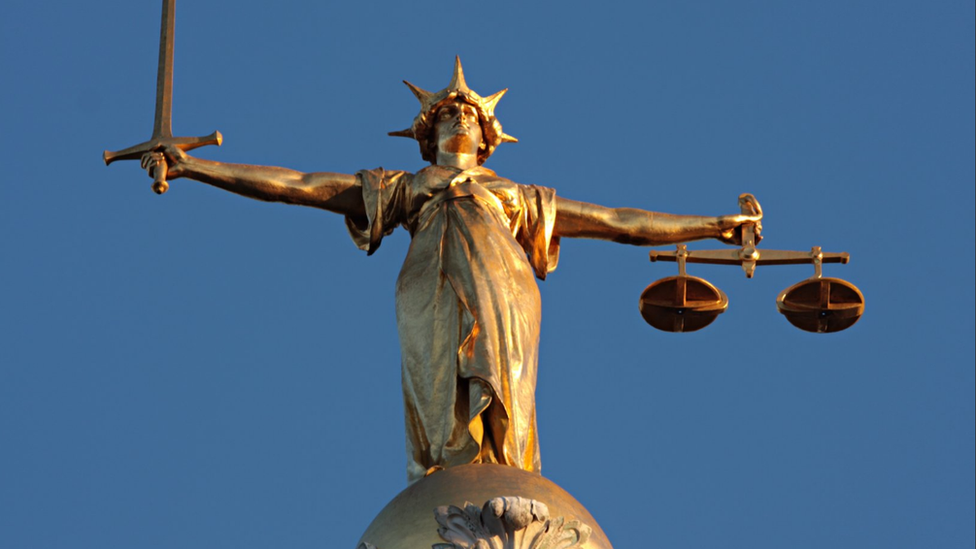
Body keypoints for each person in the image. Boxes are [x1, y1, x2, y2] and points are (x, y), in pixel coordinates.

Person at [148, 58, 761, 483]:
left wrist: (711, 225)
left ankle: (503, 474)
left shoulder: (516, 197)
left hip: (503, 287)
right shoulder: (407, 188)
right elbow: (302, 186)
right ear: (428, 131)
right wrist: (196, 169)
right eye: (446, 115)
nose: (458, 119)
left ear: (488, 135)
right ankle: (447, 478)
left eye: (468, 115)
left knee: (502, 382)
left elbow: (615, 219)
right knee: (439, 386)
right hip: (428, 287)